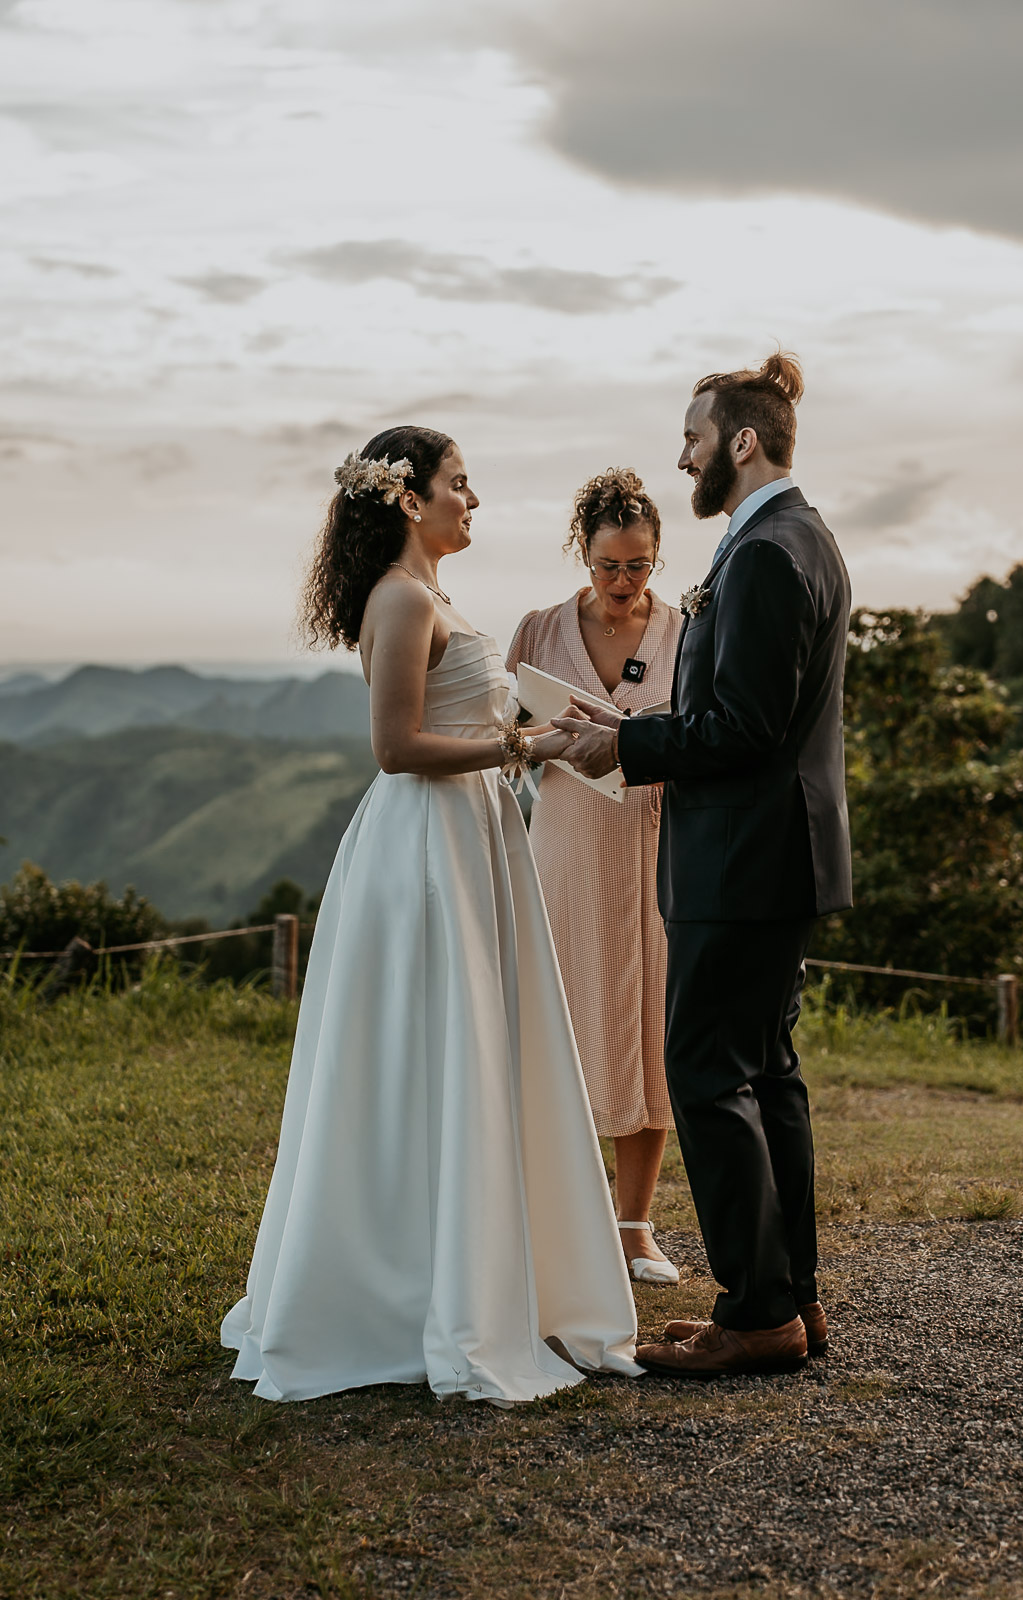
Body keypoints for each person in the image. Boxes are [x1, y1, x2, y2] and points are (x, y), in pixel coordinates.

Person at [221, 427, 641, 1406]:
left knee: (464, 1055)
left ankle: (463, 1269)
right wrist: (526, 748)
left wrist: (537, 738)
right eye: (460, 483)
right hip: (425, 851)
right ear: (409, 499)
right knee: (426, 1055)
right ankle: (408, 1286)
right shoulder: (403, 599)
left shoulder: (429, 595)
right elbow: (398, 746)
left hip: (468, 839)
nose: (473, 499)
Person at [552, 352, 852, 1378]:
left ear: (741, 441)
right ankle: (791, 1300)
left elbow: (748, 728)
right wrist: (635, 730)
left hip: (745, 856)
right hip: (778, 854)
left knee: (708, 1073)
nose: (681, 457)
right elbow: (743, 715)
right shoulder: (797, 536)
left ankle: (756, 1310)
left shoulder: (766, 550)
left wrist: (625, 747)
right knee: (767, 1076)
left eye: (691, 438)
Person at [506, 470, 683, 1286]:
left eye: (638, 566)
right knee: (563, 1025)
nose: (622, 583)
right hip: (566, 849)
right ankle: (554, 1218)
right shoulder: (539, 630)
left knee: (648, 1034)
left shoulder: (684, 632)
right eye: (608, 565)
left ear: (657, 558)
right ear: (583, 554)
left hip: (653, 848)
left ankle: (632, 1226)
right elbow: (500, 740)